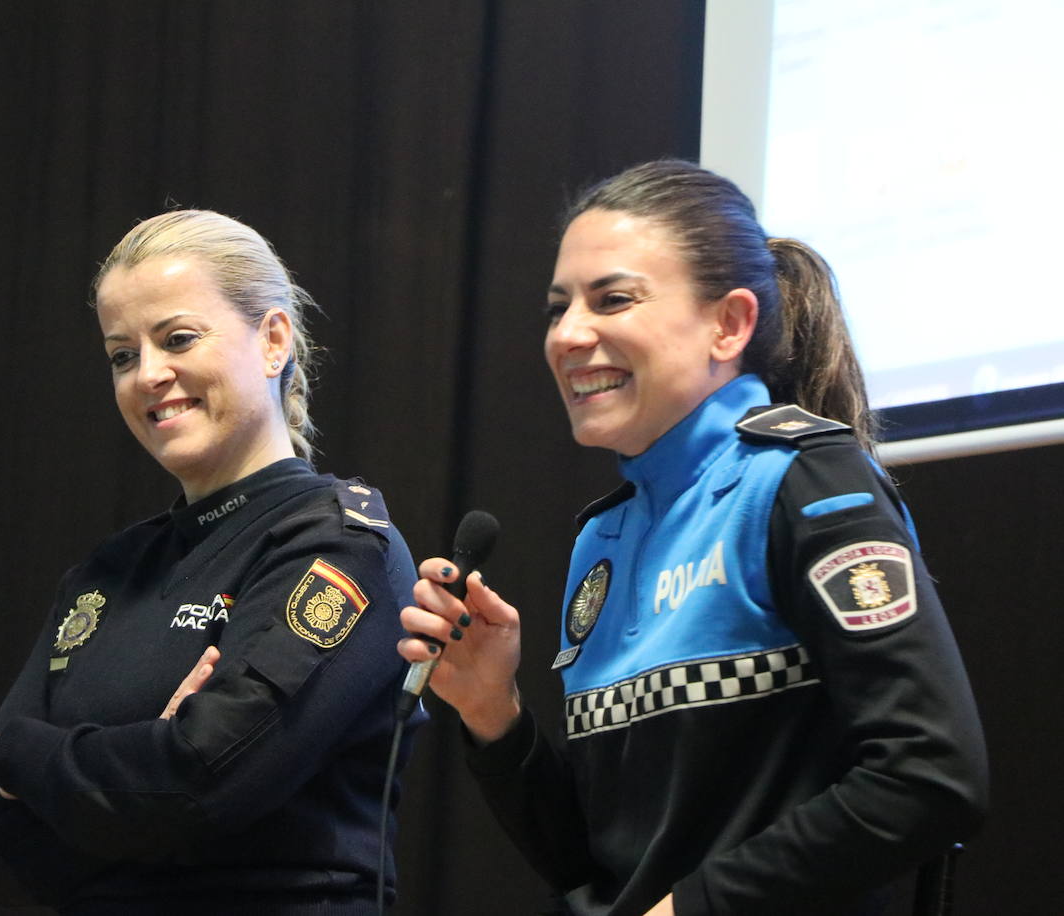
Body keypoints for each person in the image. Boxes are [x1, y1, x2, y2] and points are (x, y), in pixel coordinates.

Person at [397, 160, 988, 916]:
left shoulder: (803, 484)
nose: (569, 334)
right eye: (558, 308)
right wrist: (490, 710)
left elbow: (931, 776)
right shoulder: (601, 538)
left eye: (613, 299)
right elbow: (596, 864)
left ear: (729, 323)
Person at [0, 209, 423, 914]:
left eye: (177, 339)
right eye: (121, 355)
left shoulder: (339, 545)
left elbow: (197, 788)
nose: (149, 375)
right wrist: (139, 788)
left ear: (273, 340)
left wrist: (24, 756)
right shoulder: (110, 570)